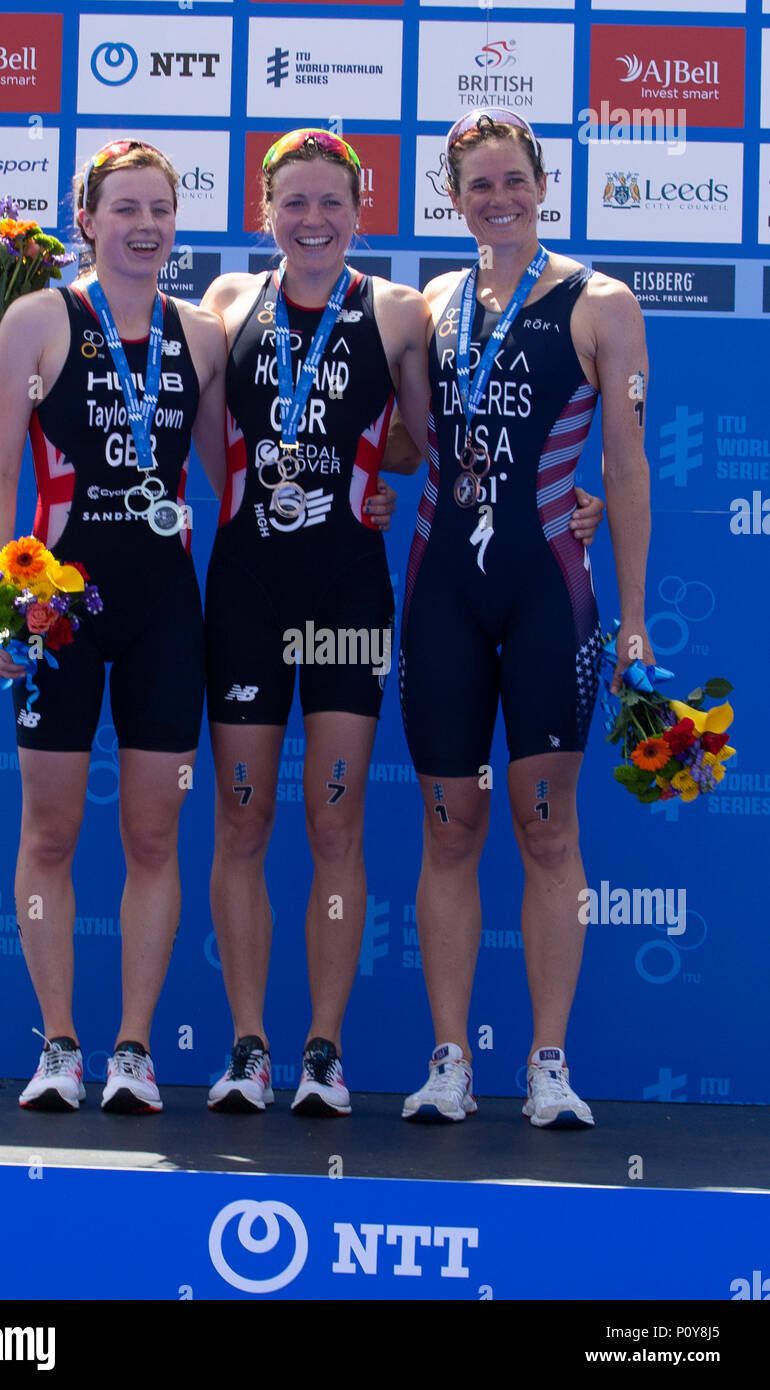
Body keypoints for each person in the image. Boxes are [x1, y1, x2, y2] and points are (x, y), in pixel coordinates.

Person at [197, 128, 603, 1118]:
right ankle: (250, 1048)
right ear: (264, 210)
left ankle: (324, 1054)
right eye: (292, 201)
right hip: (248, 593)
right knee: (242, 817)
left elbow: (427, 442)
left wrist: (391, 490)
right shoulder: (218, 305)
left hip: (350, 598)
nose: (311, 218)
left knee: (334, 821)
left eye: (330, 201)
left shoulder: (396, 311)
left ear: (360, 209)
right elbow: (195, 438)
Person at [395, 110, 653, 1128]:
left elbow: (626, 468)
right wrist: (378, 489)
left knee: (545, 832)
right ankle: (448, 1061)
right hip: (442, 594)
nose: (496, 200)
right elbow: (412, 448)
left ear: (542, 183)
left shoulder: (600, 301)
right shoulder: (429, 303)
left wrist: (631, 620)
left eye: (512, 181)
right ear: (451, 199)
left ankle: (547, 1063)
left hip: (548, 589)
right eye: (476, 186)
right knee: (447, 827)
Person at [0, 140, 226, 1114]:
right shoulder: (38, 319)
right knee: (50, 830)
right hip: (58, 607)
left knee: (153, 834)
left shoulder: (199, 334)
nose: (145, 225)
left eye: (160, 208)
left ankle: (133, 1049)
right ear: (87, 220)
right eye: (125, 208)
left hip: (164, 607)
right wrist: (5, 607)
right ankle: (60, 1046)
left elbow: (235, 476)